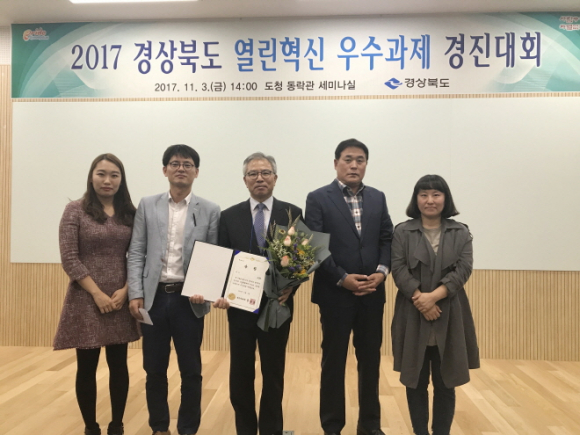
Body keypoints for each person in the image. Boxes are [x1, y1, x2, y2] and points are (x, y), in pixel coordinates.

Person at [127, 144, 228, 435]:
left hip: (189, 299)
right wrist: (136, 292)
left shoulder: (210, 209)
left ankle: (188, 428)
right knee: (154, 368)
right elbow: (136, 251)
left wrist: (205, 289)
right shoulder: (148, 204)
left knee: (191, 370)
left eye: (187, 164)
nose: (180, 168)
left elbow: (212, 254)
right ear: (165, 170)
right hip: (154, 298)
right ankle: (159, 427)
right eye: (174, 163)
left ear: (196, 172)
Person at [305, 139, 393, 435]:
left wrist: (381, 272)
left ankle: (370, 426)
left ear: (366, 164)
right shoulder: (318, 198)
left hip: (372, 292)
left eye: (360, 160)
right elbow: (315, 246)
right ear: (336, 163)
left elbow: (386, 238)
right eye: (348, 159)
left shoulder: (378, 197)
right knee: (334, 361)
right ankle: (332, 426)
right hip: (335, 294)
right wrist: (342, 278)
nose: (354, 165)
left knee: (370, 360)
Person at [54, 153, 140, 435]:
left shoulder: (130, 213)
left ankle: (117, 425)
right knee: (86, 365)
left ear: (121, 180)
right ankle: (91, 427)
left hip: (119, 297)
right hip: (86, 297)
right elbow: (69, 257)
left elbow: (139, 254)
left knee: (119, 364)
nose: (107, 180)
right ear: (91, 177)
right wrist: (97, 294)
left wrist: (126, 290)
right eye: (101, 174)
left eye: (114, 175)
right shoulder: (75, 210)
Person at [218, 152, 302, 435]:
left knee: (273, 371)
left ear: (275, 178)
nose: (260, 178)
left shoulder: (292, 213)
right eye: (253, 173)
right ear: (245, 180)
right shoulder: (229, 216)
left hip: (277, 305)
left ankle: (271, 430)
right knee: (241, 371)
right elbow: (222, 259)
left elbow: (301, 259)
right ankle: (245, 428)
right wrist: (222, 292)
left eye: (265, 172)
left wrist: (292, 286)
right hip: (240, 306)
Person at [391, 174, 480, 435]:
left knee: (445, 382)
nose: (430, 200)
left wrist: (432, 297)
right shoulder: (402, 231)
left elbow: (464, 269)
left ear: (445, 199)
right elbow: (398, 269)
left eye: (436, 194)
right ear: (416, 199)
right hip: (412, 313)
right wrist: (421, 299)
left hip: (449, 313)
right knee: (415, 382)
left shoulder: (460, 232)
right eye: (424, 195)